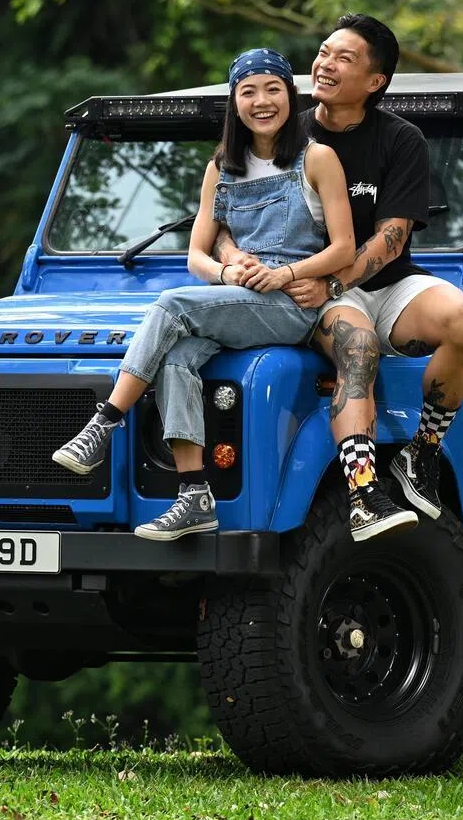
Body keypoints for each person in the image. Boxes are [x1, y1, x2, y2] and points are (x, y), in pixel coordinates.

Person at [50, 48, 386, 541]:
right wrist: (229, 274)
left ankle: (106, 420)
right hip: (240, 297)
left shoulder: (317, 158)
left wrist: (285, 272)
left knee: (170, 304)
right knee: (175, 360)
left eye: (273, 89)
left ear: (290, 97)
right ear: (235, 103)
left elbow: (343, 247)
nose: (262, 101)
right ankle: (194, 494)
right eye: (248, 91)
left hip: (291, 305)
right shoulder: (221, 168)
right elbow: (196, 256)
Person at [216, 15, 463, 542]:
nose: (324, 64)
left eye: (344, 58)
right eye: (322, 52)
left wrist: (335, 284)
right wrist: (236, 261)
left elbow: (393, 239)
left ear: (375, 81)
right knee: (357, 348)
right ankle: (364, 492)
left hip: (375, 280)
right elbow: (222, 218)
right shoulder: (285, 130)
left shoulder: (400, 139)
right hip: (304, 287)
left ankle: (422, 455)